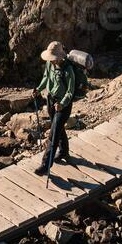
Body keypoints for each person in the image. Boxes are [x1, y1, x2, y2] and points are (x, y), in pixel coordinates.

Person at [33, 41, 87, 175]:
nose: (50, 61)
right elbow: (46, 78)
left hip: (63, 104)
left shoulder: (68, 70)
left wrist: (62, 104)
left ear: (59, 57)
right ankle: (63, 151)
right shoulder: (49, 64)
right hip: (50, 100)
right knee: (58, 126)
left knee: (54, 133)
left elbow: (70, 91)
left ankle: (45, 165)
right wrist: (39, 89)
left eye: (53, 58)